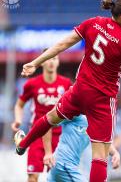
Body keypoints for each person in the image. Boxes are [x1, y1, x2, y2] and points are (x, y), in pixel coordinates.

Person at [14, 0, 121, 182]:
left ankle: (23, 144)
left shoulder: (93, 23)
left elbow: (62, 45)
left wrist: (34, 63)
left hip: (80, 90)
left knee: (50, 118)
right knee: (100, 155)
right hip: (102, 99)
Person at [11, 53, 72, 182]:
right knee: (33, 176)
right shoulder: (32, 84)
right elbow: (19, 105)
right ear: (42, 62)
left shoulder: (66, 84)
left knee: (59, 178)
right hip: (37, 136)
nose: (51, 62)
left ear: (58, 62)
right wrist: (17, 120)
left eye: (54, 58)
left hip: (59, 137)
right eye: (48, 58)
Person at [45, 115, 121, 182]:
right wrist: (48, 153)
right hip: (63, 164)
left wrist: (115, 153)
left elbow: (102, 141)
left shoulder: (94, 120)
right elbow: (47, 123)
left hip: (66, 165)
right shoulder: (75, 113)